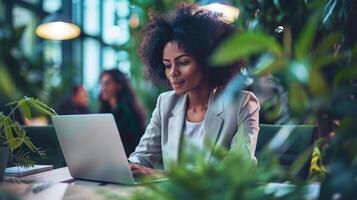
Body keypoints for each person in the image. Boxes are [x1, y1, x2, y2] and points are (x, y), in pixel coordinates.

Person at [128, 4, 260, 175]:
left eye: (183, 62)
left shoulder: (242, 103)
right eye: (167, 65)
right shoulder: (165, 103)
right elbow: (142, 155)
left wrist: (161, 174)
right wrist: (129, 166)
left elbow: (236, 167)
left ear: (207, 60)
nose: (173, 72)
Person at [99, 69, 146, 156]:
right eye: (102, 83)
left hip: (128, 159)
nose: (103, 88)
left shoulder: (127, 112)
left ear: (119, 86)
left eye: (107, 83)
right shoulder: (107, 110)